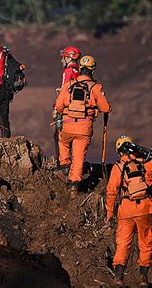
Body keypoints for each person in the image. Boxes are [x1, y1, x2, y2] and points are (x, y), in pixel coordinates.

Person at [105, 135, 152, 285]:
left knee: (123, 243)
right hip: (145, 208)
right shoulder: (148, 163)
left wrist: (109, 213)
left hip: (126, 210)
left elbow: (111, 192)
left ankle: (118, 277)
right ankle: (143, 278)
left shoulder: (118, 167)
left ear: (120, 152)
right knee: (146, 242)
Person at [54, 55, 111, 198]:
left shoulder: (69, 85)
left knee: (63, 142)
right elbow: (105, 108)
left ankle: (65, 165)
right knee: (79, 157)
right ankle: (74, 187)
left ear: (80, 68)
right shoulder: (96, 88)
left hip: (67, 125)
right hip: (84, 128)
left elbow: (59, 105)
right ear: (93, 70)